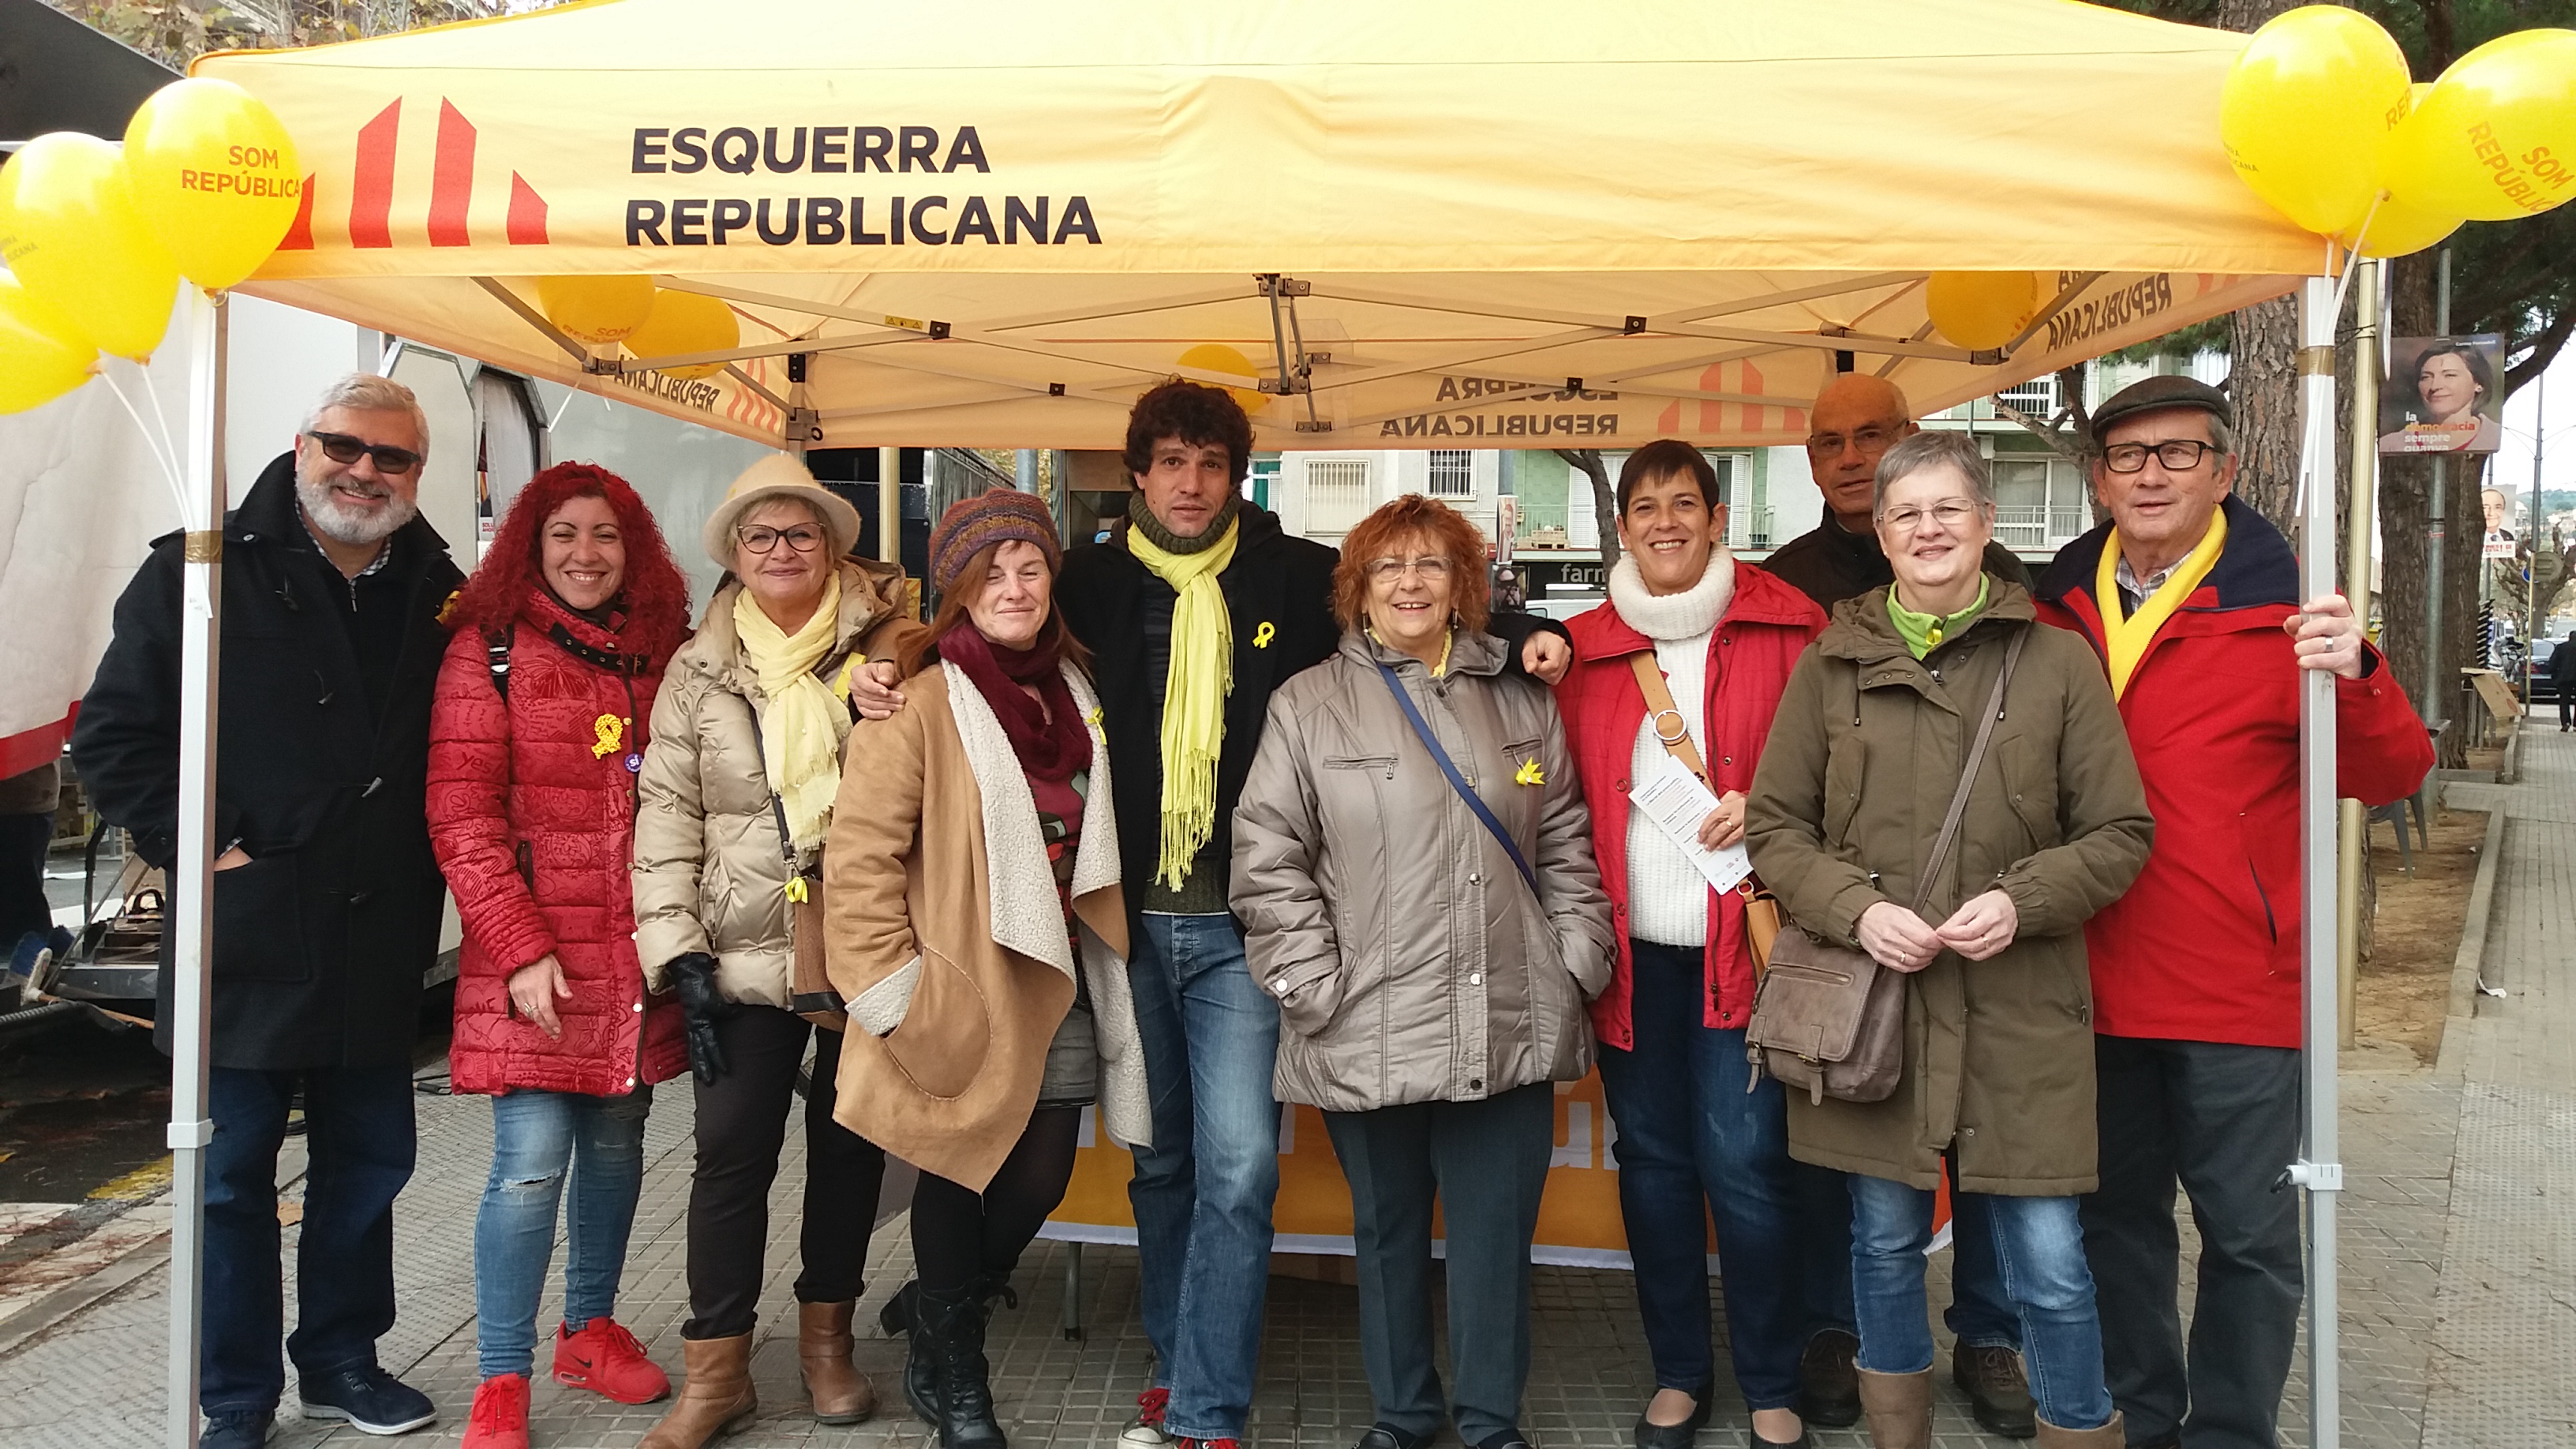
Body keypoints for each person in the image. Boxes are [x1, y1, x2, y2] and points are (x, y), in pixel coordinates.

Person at [849, 380, 1571, 1449]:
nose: (1191, 485)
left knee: (1239, 1167)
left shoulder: (1287, 568)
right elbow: (979, 633)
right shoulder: (1082, 582)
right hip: (1120, 928)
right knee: (1163, 1161)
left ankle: (1207, 1410)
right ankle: (1180, 1368)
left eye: (1212, 464)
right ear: (1137, 473)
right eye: (1171, 463)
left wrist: (1532, 630)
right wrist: (882, 661)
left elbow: (1414, 599)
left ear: (1238, 475)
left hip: (1240, 927)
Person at [2035, 376, 2434, 1449]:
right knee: (2116, 1226)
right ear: (2098, 479)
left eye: (2177, 452)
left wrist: (2358, 673)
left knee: (2249, 1237)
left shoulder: (2294, 603)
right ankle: (2144, 1420)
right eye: (2128, 456)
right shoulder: (2052, 605)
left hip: (2237, 988)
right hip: (2088, 978)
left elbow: (2394, 771)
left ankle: (2231, 1433)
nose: (2152, 474)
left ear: (2225, 469)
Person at [71, 374, 462, 1449]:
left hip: (378, 934)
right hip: (240, 938)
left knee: (369, 1168)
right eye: (346, 447)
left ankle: (341, 1363)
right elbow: (113, 739)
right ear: (301, 448)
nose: (365, 471)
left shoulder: (439, 589)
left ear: (417, 473)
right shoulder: (197, 573)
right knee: (228, 1180)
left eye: (392, 458)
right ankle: (235, 1397)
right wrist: (209, 844)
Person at [1747, 431, 2155, 1449]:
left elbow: (2120, 833)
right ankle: (1900, 1435)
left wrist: (2025, 898)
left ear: (1985, 525)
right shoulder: (1828, 667)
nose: (1928, 530)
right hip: (1879, 1014)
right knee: (1882, 1243)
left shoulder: (2059, 663)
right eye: (1906, 514)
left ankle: (2077, 1424)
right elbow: (1773, 828)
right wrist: (1854, 908)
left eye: (1947, 510)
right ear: (1880, 536)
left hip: (2021, 1011)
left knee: (2050, 1260)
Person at [1232, 493, 1616, 1449]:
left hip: (1508, 1007)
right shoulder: (1308, 702)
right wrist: (1314, 982)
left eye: (1432, 566)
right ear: (1357, 591)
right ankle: (1402, 1415)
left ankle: (1490, 1420)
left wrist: (1577, 955)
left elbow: (1566, 837)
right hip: (1370, 1013)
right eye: (1388, 568)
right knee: (1389, 1233)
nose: (1410, 583)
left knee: (1493, 1244)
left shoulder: (1520, 699)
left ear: (1464, 587)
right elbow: (1266, 857)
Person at [825, 489, 1151, 1449]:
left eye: (1031, 568)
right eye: (990, 572)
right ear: (957, 588)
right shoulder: (919, 694)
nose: (1013, 588)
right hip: (962, 978)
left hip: (1060, 972)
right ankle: (957, 1364)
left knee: (1040, 1176)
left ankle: (935, 1304)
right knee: (961, 1168)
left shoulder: (1074, 690)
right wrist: (893, 996)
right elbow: (859, 859)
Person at [1757, 371, 2036, 1435]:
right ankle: (1842, 1329)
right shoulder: (1786, 585)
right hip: (1859, 922)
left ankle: (1993, 1333)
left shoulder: (2005, 581)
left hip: (1987, 925)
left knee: (1994, 1149)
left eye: (1873, 434)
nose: (1852, 453)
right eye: (1831, 440)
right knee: (1847, 1145)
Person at [628, 456, 920, 1449]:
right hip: (740, 947)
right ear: (736, 555)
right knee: (730, 1156)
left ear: (833, 548)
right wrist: (678, 952)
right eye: (762, 537)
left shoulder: (890, 646)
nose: (782, 551)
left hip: (863, 939)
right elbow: (665, 815)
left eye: (801, 535)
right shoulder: (698, 666)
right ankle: (718, 1370)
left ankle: (825, 1346)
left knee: (848, 1152)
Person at [1551, 440, 1824, 1449]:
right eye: (1645, 507)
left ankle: (1769, 1380)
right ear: (1620, 527)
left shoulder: (1796, 630)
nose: (1665, 522)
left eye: (1684, 503)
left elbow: (1853, 776)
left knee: (1749, 1169)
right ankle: (1677, 1373)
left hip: (1745, 955)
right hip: (1633, 961)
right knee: (1656, 1165)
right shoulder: (1576, 650)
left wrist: (1774, 809)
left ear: (1718, 517)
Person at [425, 463, 695, 1449]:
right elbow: (460, 815)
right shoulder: (487, 651)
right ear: (530, 548)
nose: (586, 555)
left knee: (618, 1150)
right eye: (565, 536)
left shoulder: (665, 651)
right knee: (530, 1164)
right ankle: (502, 1376)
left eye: (607, 536)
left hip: (635, 959)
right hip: (533, 965)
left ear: (637, 550)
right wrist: (520, 948)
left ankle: (589, 1329)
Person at [2379, 342, 2503, 454]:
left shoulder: (2497, 437)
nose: (2435, 386)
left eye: (2449, 375)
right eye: (2426, 377)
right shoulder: (2391, 444)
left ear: (2478, 383)